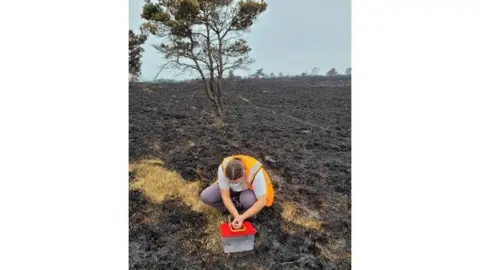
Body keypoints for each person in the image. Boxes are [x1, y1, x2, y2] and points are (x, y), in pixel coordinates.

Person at [200, 154, 275, 229]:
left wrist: (242, 217)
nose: (233, 183)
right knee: (206, 196)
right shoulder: (223, 169)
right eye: (230, 181)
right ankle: (235, 205)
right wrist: (235, 214)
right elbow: (225, 196)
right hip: (232, 190)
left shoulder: (256, 173)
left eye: (236, 181)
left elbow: (262, 201)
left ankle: (242, 207)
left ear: (244, 172)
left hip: (248, 191)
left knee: (248, 200)